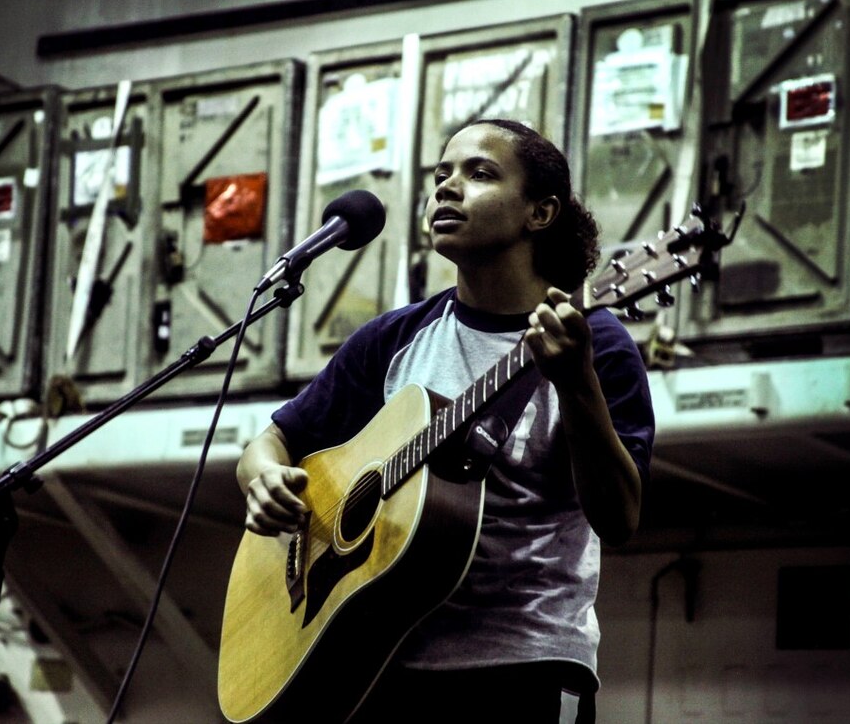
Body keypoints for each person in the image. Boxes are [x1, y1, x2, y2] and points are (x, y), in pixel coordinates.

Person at [236, 118, 655, 722]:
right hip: (383, 663)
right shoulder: (394, 338)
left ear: (540, 213)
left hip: (526, 665)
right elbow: (273, 442)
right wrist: (264, 479)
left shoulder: (595, 343)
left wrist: (577, 382)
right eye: (441, 176)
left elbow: (618, 518)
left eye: (479, 174)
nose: (447, 189)